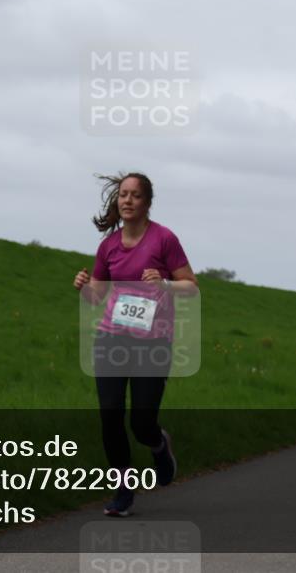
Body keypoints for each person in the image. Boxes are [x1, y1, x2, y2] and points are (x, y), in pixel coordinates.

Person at [72, 172, 198, 517]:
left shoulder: (164, 239)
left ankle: (159, 445)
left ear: (147, 202)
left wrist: (166, 284)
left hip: (153, 343)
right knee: (110, 417)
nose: (127, 200)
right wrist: (83, 285)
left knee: (142, 423)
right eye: (123, 195)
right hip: (112, 337)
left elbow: (192, 286)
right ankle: (123, 491)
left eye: (135, 195)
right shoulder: (108, 246)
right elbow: (96, 296)